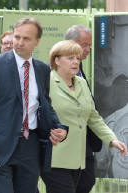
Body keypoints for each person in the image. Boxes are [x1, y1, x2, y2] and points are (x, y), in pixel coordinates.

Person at [0, 17, 68, 193]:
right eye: (17, 37)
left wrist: (59, 128)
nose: (20, 42)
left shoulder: (42, 70)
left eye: (26, 38)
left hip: (30, 146)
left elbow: (45, 105)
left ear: (37, 41)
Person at [41, 40, 127, 193]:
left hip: (79, 159)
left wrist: (112, 139)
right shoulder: (46, 82)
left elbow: (93, 117)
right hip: (55, 157)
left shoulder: (81, 83)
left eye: (78, 58)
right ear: (57, 60)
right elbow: (36, 114)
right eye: (70, 58)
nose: (76, 62)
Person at [65, 24, 102, 193]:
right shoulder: (59, 72)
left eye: (89, 45)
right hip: (66, 140)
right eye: (84, 44)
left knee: (87, 181)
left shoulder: (79, 70)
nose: (88, 49)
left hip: (84, 139)